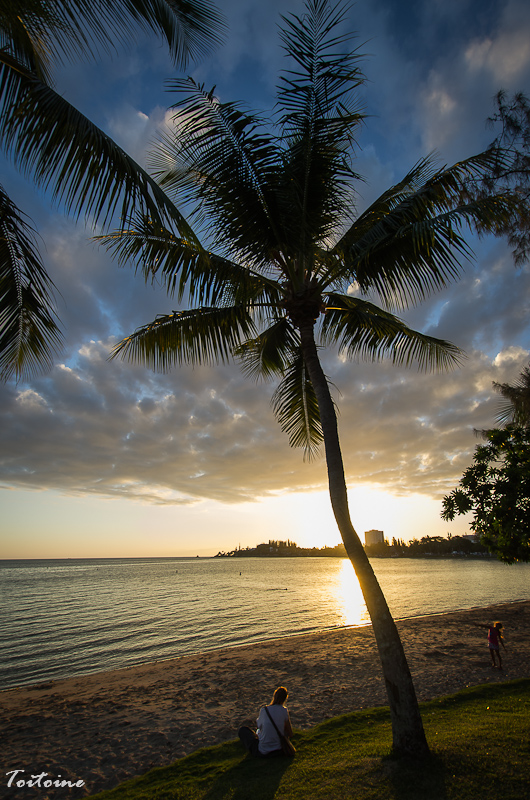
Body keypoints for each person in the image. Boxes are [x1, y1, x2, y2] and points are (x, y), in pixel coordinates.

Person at [238, 686, 294, 757]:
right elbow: (290, 733)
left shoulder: (264, 710)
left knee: (243, 730)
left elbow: (259, 726)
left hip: (263, 751)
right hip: (279, 750)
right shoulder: (284, 710)